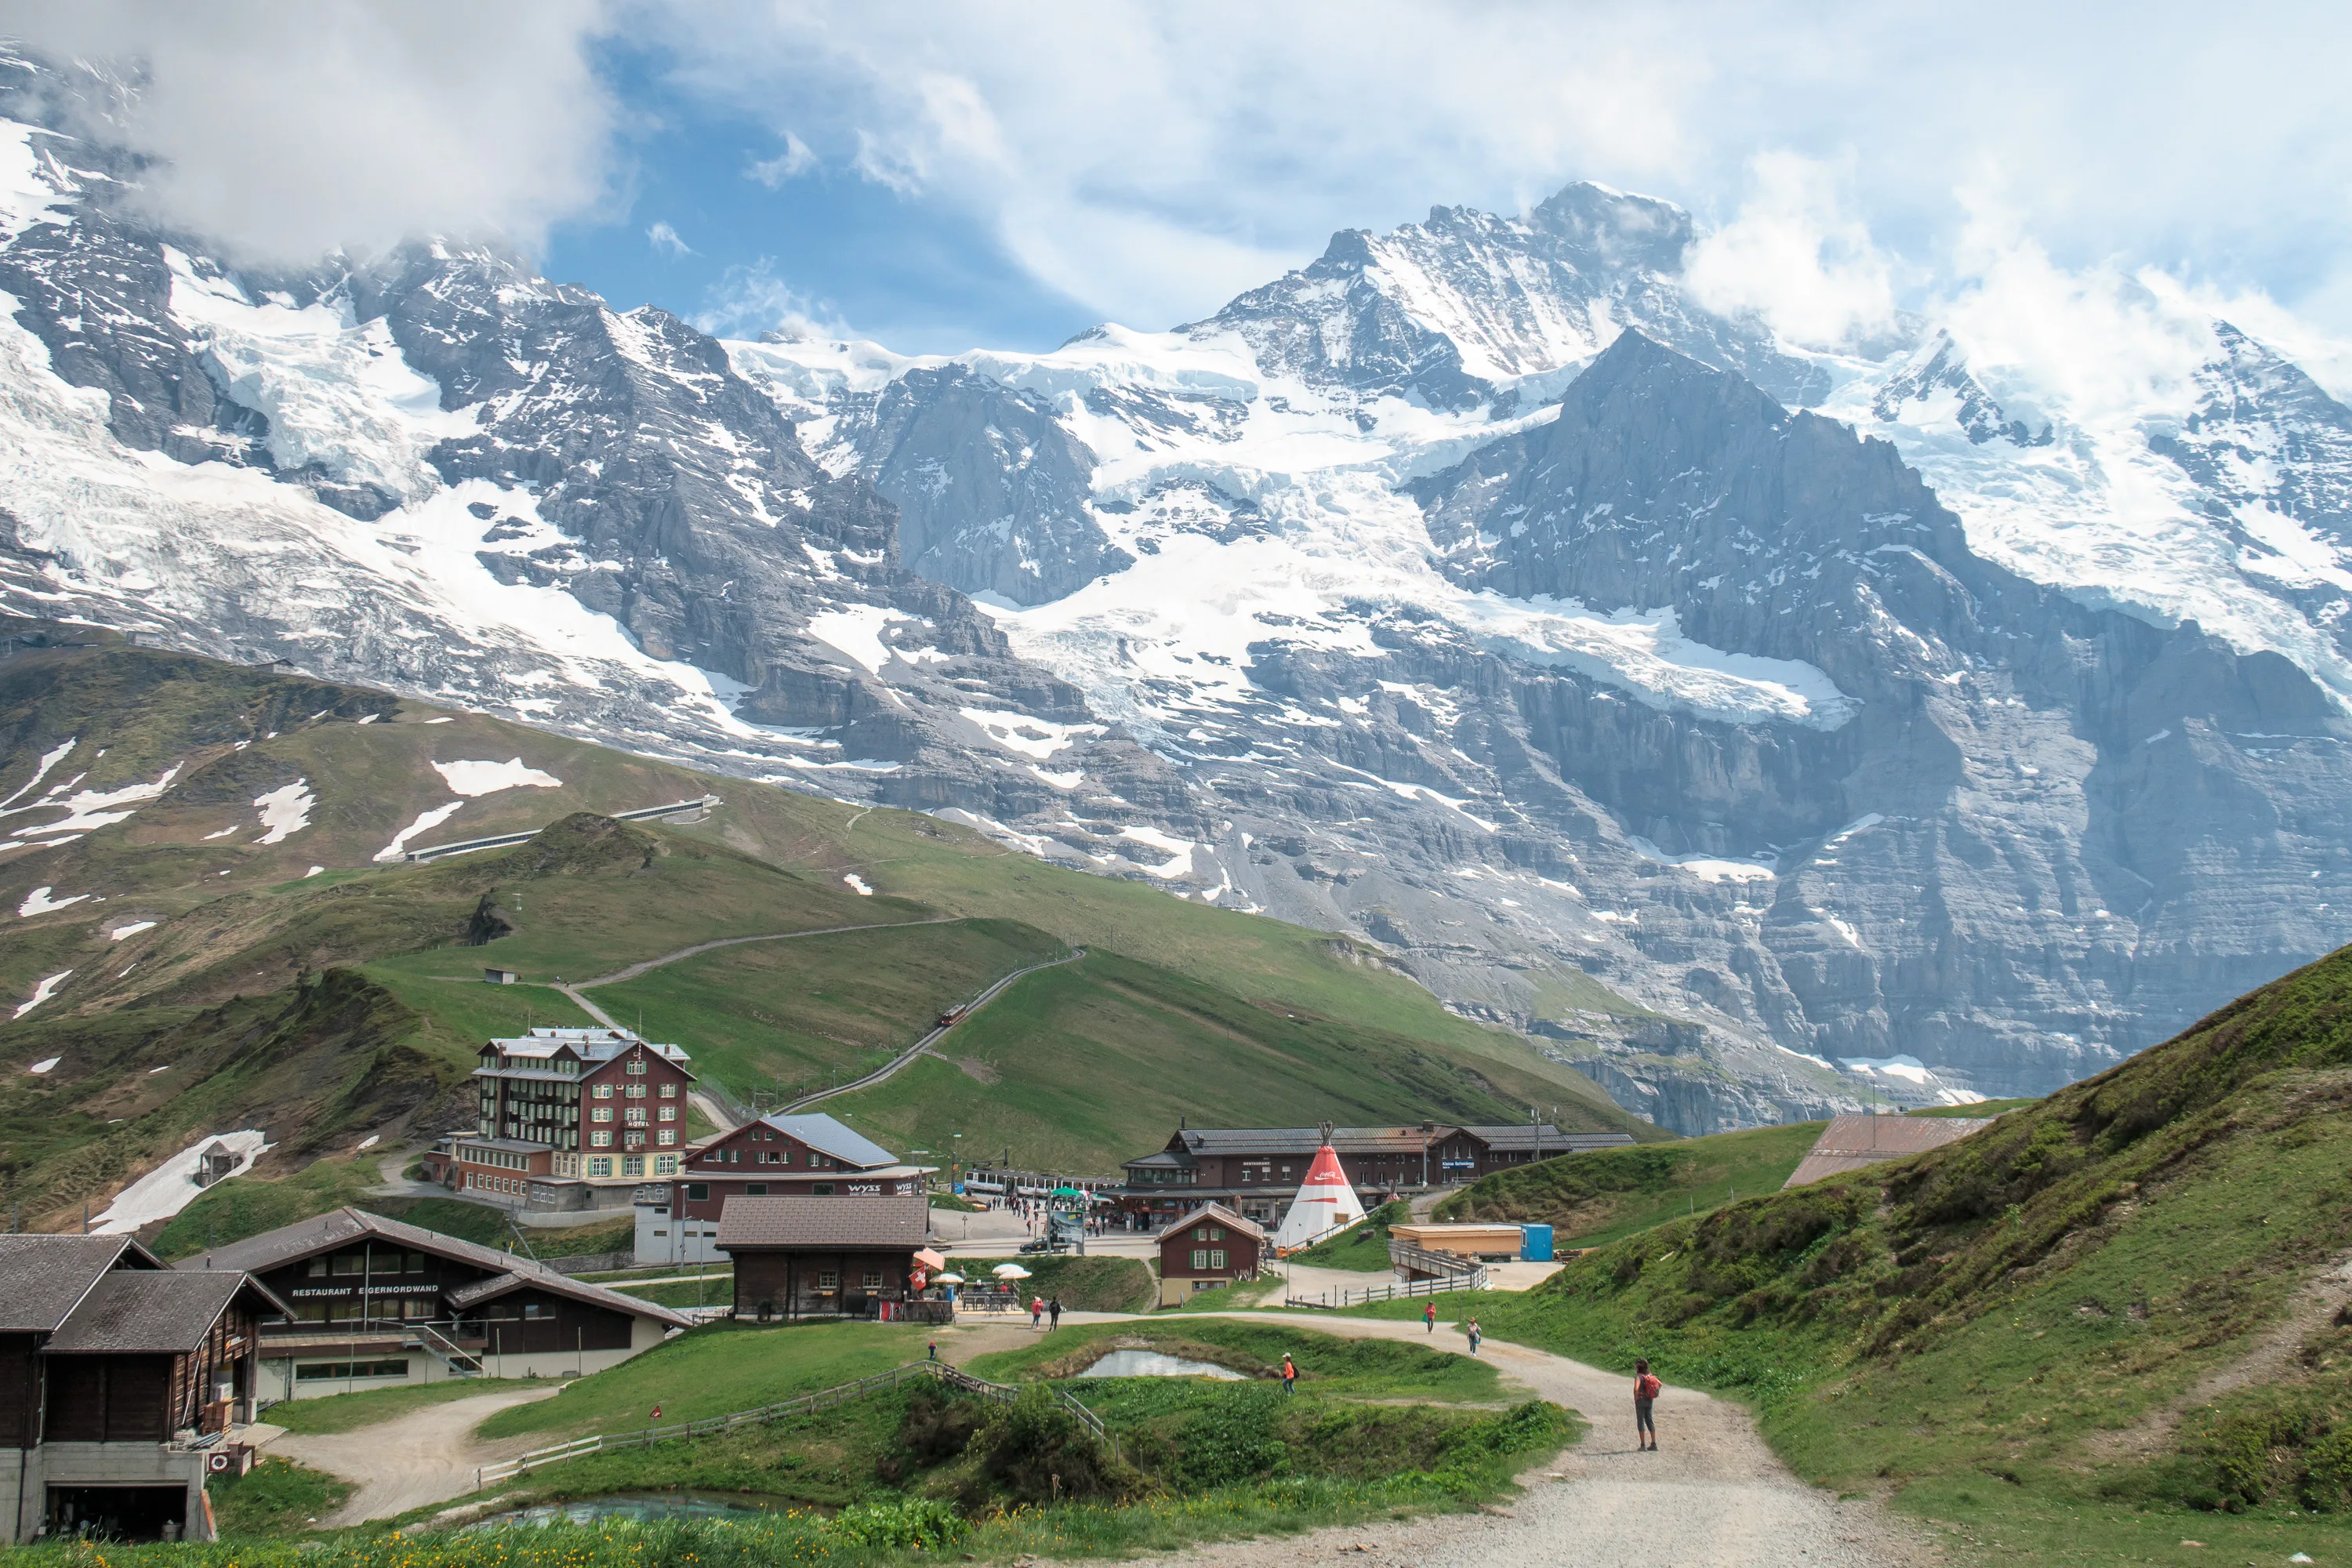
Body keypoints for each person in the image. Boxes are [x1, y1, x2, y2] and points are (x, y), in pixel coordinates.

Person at [1634, 1359, 1661, 1451]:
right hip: (1650, 1400)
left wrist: (1636, 1397)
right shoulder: (1650, 1376)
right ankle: (1654, 1444)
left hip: (1641, 1400)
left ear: (1638, 1367)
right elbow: (1660, 1384)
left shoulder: (1639, 1376)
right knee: (1649, 1420)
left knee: (1641, 1421)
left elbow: (1636, 1388)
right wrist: (1650, 1393)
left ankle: (1643, 1445)